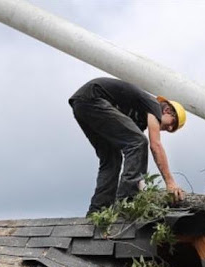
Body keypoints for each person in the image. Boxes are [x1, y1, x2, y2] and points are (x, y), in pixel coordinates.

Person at [69, 77, 186, 215]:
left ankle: (98, 211)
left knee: (112, 158)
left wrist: (142, 188)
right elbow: (155, 145)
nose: (169, 128)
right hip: (93, 98)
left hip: (81, 104)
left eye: (172, 129)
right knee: (138, 142)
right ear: (167, 110)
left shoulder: (139, 120)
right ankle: (126, 202)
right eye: (172, 124)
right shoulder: (154, 105)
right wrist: (170, 183)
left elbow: (134, 161)